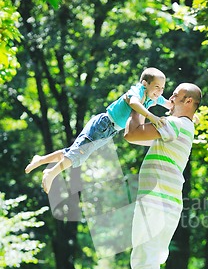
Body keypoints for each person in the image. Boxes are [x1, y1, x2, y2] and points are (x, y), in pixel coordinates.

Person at [124, 82, 202, 269]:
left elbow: (131, 133)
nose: (169, 97)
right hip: (167, 202)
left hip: (155, 201)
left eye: (176, 95)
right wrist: (142, 106)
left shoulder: (177, 125)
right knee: (150, 262)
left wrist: (137, 101)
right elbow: (134, 136)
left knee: (140, 264)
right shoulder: (175, 129)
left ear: (188, 101)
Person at [25, 67, 171, 193]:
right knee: (78, 153)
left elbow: (170, 105)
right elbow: (133, 103)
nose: (160, 91)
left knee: (73, 152)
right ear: (145, 83)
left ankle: (40, 160)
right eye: (157, 87)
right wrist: (152, 117)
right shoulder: (138, 90)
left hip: (110, 131)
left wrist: (190, 116)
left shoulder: (152, 97)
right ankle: (51, 172)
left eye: (162, 88)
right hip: (103, 124)